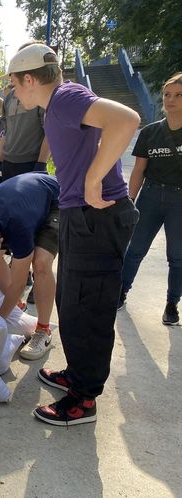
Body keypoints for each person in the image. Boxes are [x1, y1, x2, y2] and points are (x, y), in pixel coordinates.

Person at [7, 43, 140, 425]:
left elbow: (126, 119)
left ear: (30, 79)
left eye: (15, 84)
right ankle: (77, 375)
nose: (14, 92)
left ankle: (84, 400)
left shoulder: (65, 97)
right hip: (80, 217)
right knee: (72, 301)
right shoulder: (57, 106)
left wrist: (95, 177)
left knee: (89, 307)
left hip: (96, 218)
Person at [0, 173, 60, 360]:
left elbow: (19, 284)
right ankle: (17, 304)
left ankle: (43, 331)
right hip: (25, 200)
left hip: (55, 200)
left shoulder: (20, 231)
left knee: (40, 263)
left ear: (1, 242)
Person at [120, 72, 182, 325]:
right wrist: (128, 201)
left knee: (177, 256)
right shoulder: (150, 132)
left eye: (178, 95)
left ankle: (172, 303)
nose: (171, 99)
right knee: (134, 250)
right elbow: (138, 170)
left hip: (180, 200)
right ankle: (121, 291)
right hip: (151, 196)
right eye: (167, 94)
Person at [0, 43, 49, 181]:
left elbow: (49, 133)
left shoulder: (43, 98)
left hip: (31, 163)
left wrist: (41, 164)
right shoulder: (8, 97)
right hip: (7, 163)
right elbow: (5, 131)